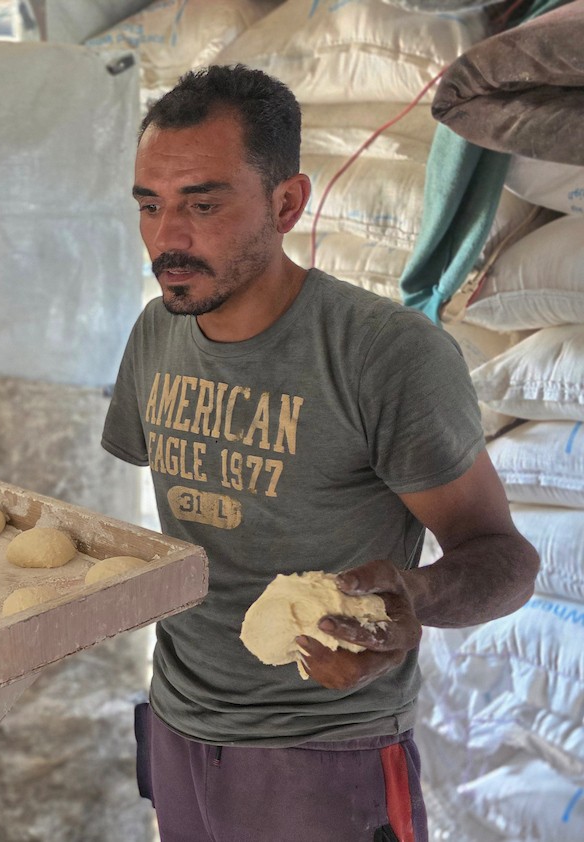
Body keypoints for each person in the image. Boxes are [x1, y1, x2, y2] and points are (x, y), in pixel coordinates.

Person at [102, 64, 539, 842]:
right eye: (150, 206)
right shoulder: (155, 334)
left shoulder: (385, 354)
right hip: (176, 720)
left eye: (202, 204)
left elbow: (504, 558)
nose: (168, 238)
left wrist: (414, 602)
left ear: (287, 204)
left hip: (324, 754)